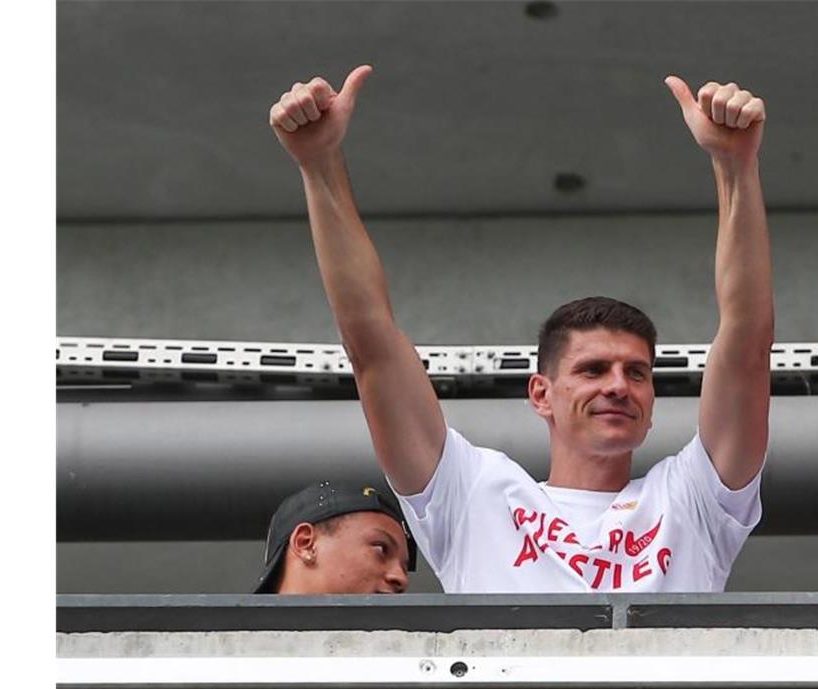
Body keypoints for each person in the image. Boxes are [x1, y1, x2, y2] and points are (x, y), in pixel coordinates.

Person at [268, 65, 773, 592]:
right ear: (541, 393)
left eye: (637, 373)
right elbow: (370, 341)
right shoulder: (472, 494)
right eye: (593, 369)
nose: (618, 386)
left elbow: (746, 344)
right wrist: (319, 163)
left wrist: (735, 166)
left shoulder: (691, 499)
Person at [253, 481, 416, 594]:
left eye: (404, 568)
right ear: (305, 543)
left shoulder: (414, 643)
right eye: (381, 548)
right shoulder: (232, 641)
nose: (400, 578)